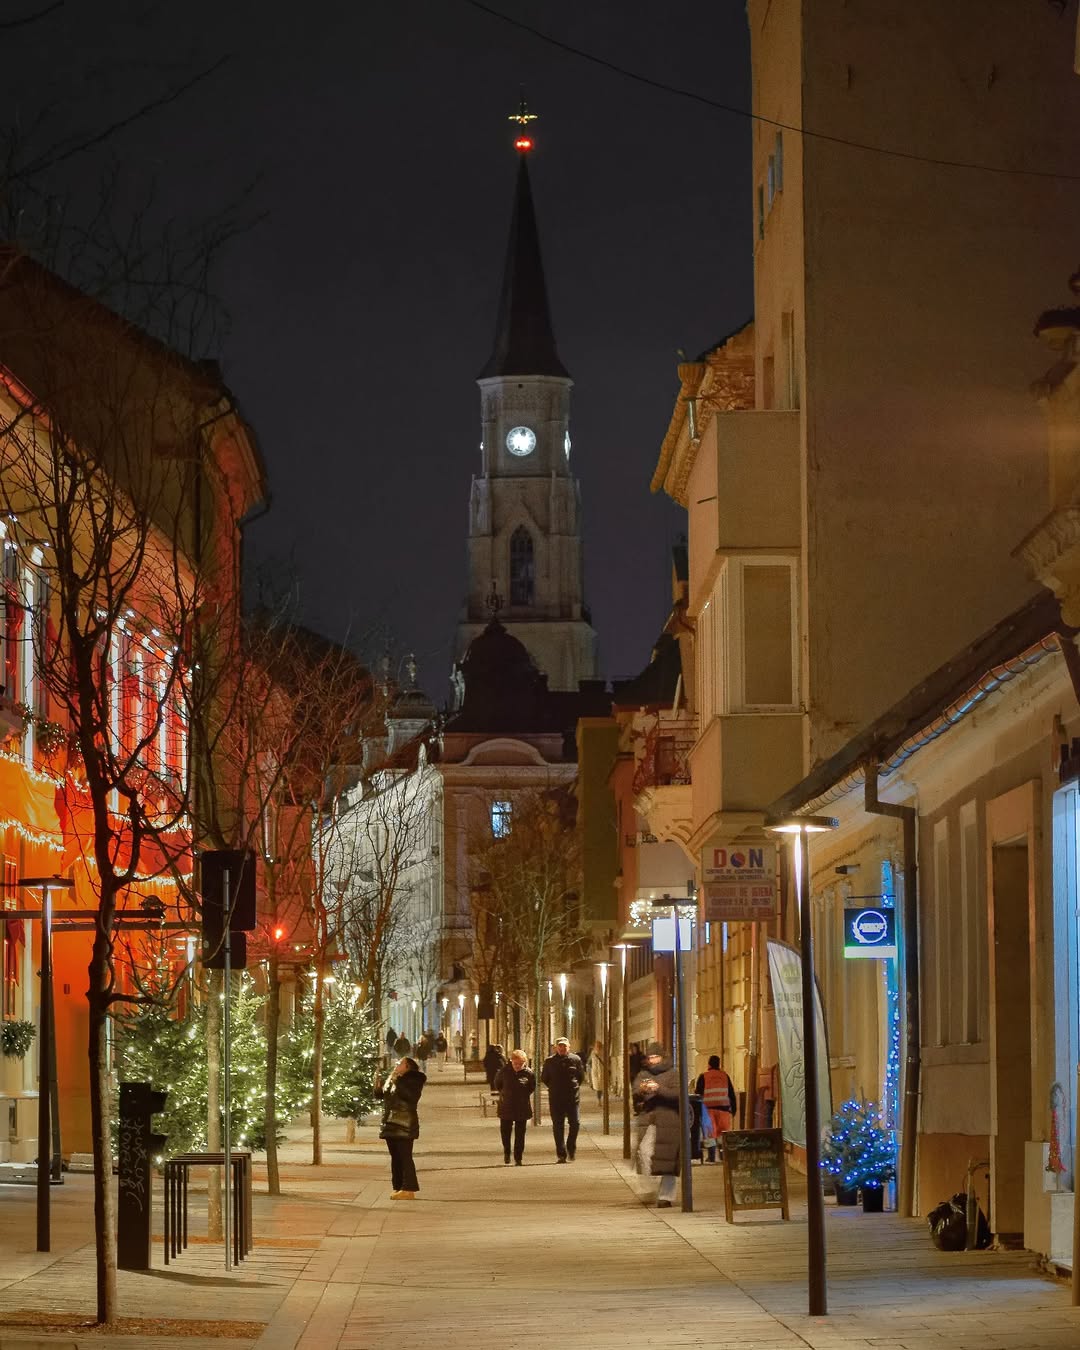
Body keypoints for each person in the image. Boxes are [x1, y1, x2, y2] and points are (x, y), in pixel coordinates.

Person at [633, 1041, 680, 1206]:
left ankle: (666, 1196)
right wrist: (642, 1089)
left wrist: (658, 1088)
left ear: (662, 1057)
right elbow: (635, 1092)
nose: (652, 1060)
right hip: (650, 1119)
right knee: (644, 1152)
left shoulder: (673, 1073)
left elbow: (677, 1094)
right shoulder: (643, 1074)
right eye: (650, 1057)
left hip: (669, 1120)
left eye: (655, 1057)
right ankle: (652, 1187)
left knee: (668, 1159)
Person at [375, 1055, 426, 1199]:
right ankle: (398, 1186)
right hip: (390, 1123)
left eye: (400, 1063)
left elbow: (410, 1097)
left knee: (405, 1157)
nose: (396, 1065)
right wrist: (378, 1083)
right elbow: (381, 1096)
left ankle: (409, 1188)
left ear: (407, 1066)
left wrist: (397, 1081)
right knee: (395, 1157)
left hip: (404, 1124)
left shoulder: (414, 1080)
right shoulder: (394, 1079)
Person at [540, 1035, 584, 1162]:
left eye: (564, 1046)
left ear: (568, 1047)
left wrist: (574, 1087)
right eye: (560, 1046)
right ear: (556, 1048)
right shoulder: (549, 1062)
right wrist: (554, 1087)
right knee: (558, 1126)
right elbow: (545, 1078)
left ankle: (571, 1147)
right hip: (556, 1099)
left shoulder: (575, 1059)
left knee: (575, 1123)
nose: (562, 1048)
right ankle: (561, 1154)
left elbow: (580, 1077)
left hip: (572, 1098)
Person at [493, 1048, 535, 1165]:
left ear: (524, 1063)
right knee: (505, 1132)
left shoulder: (529, 1073)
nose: (517, 1066)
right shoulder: (504, 1072)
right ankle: (507, 1152)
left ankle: (518, 1157)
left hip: (522, 1107)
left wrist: (523, 1095)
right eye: (515, 1063)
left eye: (520, 1064)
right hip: (506, 1106)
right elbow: (498, 1084)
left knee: (520, 1134)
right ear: (511, 1061)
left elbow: (531, 1087)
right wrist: (505, 1094)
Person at [695, 1055, 736, 1143]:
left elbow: (698, 1095)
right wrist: (734, 1110)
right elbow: (731, 1094)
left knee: (710, 1137)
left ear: (709, 1064)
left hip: (708, 1111)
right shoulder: (725, 1076)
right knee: (723, 1137)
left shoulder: (704, 1076)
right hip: (724, 1111)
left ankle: (712, 1152)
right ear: (718, 1064)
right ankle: (722, 1151)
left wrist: (697, 1112)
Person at [587, 1039, 606, 1105]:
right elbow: (589, 1062)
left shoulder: (604, 1052)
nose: (598, 1047)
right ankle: (599, 1100)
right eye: (596, 1045)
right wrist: (590, 1071)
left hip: (603, 1072)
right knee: (598, 1087)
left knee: (604, 1087)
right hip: (595, 1072)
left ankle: (604, 1099)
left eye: (599, 1045)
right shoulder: (592, 1053)